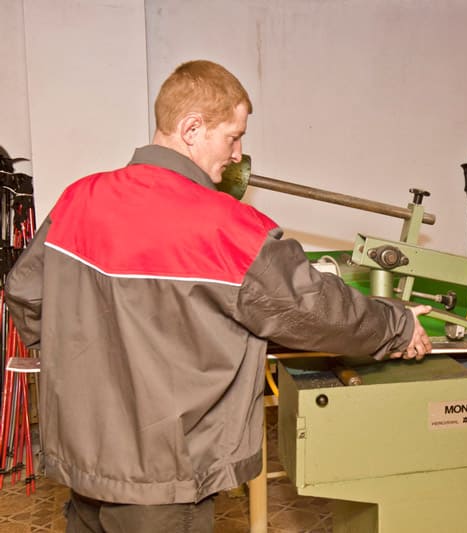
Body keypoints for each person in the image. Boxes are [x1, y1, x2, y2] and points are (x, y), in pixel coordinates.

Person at [5, 59, 432, 532]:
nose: (237, 154)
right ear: (192, 129)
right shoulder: (224, 227)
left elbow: (23, 291)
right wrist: (397, 325)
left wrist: (80, 368)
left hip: (85, 459)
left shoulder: (78, 199)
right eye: (233, 137)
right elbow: (314, 309)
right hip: (164, 478)